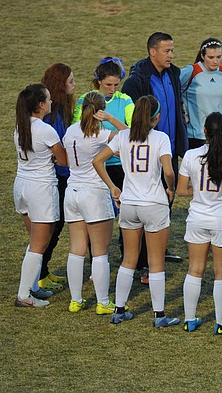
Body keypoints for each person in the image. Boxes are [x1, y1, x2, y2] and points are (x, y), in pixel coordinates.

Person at [92, 95, 179, 328]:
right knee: (156, 261)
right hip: (154, 205)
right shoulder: (160, 137)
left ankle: (119, 310)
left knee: (128, 259)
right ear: (156, 117)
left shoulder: (122, 136)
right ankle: (159, 315)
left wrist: (113, 187)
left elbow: (98, 161)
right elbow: (169, 171)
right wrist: (170, 188)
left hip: (129, 205)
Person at [122, 31, 187, 263]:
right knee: (143, 201)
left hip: (168, 150)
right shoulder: (136, 81)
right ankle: (136, 257)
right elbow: (130, 118)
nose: (171, 55)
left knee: (165, 200)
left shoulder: (173, 74)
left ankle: (158, 247)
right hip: (146, 153)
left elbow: (177, 106)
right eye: (167, 50)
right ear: (153, 52)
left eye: (172, 50)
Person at [176, 112, 222, 333]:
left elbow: (182, 190)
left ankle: (189, 319)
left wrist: (200, 190)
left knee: (194, 269)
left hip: (197, 219)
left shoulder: (190, 156)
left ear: (204, 131)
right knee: (221, 273)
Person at [73, 57, 137, 276]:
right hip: (96, 168)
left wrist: (109, 118)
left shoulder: (126, 100)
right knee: (96, 217)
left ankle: (126, 260)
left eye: (116, 85)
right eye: (108, 84)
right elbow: (77, 129)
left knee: (126, 214)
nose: (112, 89)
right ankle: (96, 265)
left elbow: (132, 130)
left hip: (120, 165)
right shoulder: (86, 100)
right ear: (98, 81)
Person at [63, 92, 126, 314]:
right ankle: (102, 302)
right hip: (95, 194)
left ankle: (75, 300)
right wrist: (110, 118)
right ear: (99, 110)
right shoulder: (100, 134)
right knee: (100, 251)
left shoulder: (70, 131)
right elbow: (128, 136)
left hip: (72, 193)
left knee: (76, 249)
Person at [13, 84, 68, 307]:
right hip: (41, 189)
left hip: (22, 187)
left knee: (35, 240)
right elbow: (63, 160)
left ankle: (33, 287)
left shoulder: (20, 126)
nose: (52, 102)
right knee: (39, 244)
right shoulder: (46, 130)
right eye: (48, 98)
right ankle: (24, 296)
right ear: (41, 105)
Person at [37, 63, 76, 294]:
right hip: (55, 178)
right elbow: (57, 148)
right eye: (71, 81)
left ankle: (43, 270)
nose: (74, 84)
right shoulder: (54, 114)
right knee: (52, 226)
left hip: (58, 176)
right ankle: (39, 275)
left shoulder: (60, 108)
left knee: (56, 225)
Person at [181, 37, 222, 147]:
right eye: (211, 57)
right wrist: (181, 113)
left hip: (221, 134)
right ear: (202, 56)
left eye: (219, 57)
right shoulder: (191, 71)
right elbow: (171, 89)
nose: (215, 61)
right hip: (197, 136)